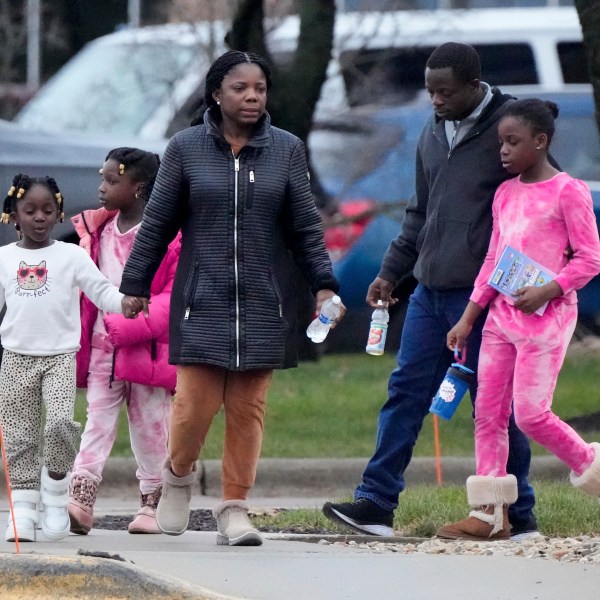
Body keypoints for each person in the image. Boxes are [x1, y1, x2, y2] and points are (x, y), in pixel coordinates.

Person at [118, 50, 344, 547]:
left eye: (259, 89)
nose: (251, 97)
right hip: (202, 299)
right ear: (217, 93)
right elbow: (156, 225)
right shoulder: (185, 148)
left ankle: (234, 508)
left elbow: (306, 227)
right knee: (193, 407)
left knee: (248, 409)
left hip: (264, 301)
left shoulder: (286, 150)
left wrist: (325, 284)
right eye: (240, 88)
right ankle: (177, 475)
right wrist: (134, 285)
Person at [322, 42, 538, 540]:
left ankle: (520, 514)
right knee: (404, 393)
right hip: (429, 290)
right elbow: (420, 213)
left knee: (493, 403)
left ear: (473, 84)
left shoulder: (508, 129)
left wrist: (518, 288)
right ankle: (375, 504)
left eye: (445, 92)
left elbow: (533, 211)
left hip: (484, 296)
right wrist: (391, 272)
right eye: (430, 91)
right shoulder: (433, 131)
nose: (436, 101)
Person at [435, 99, 600, 540]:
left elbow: (589, 260)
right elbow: (494, 259)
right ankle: (489, 514)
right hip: (499, 320)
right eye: (500, 142)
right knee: (487, 413)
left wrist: (548, 290)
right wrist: (470, 316)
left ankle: (593, 467)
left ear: (541, 141)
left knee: (530, 415)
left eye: (513, 142)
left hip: (547, 320)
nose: (503, 151)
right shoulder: (505, 193)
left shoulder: (569, 191)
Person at [0, 174, 124, 542]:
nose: (39, 217)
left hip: (59, 359)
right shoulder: (5, 259)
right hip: (15, 359)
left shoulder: (71, 256)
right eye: (30, 210)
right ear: (14, 215)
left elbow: (101, 291)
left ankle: (55, 497)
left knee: (59, 426)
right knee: (18, 435)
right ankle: (22, 510)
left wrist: (126, 303)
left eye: (47, 210)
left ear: (58, 214)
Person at [67, 148, 181, 536]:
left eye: (112, 181)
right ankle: (80, 498)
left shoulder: (168, 237)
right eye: (102, 178)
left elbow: (171, 296)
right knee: (96, 420)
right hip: (102, 347)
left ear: (139, 188)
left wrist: (129, 326)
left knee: (150, 428)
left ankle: (153, 504)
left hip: (147, 350)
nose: (101, 188)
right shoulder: (96, 232)